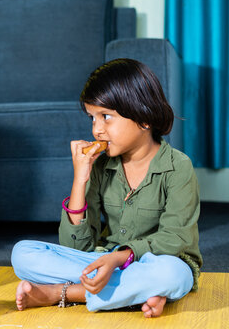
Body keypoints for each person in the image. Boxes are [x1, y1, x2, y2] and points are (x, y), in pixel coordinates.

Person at [11, 58, 202, 318]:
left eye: (106, 117)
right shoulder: (100, 166)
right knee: (22, 254)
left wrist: (120, 258)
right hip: (103, 260)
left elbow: (175, 239)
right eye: (92, 118)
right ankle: (137, 294)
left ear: (144, 117)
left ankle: (61, 293)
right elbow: (78, 249)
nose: (97, 130)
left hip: (156, 260)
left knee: (171, 275)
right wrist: (80, 179)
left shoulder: (178, 167)